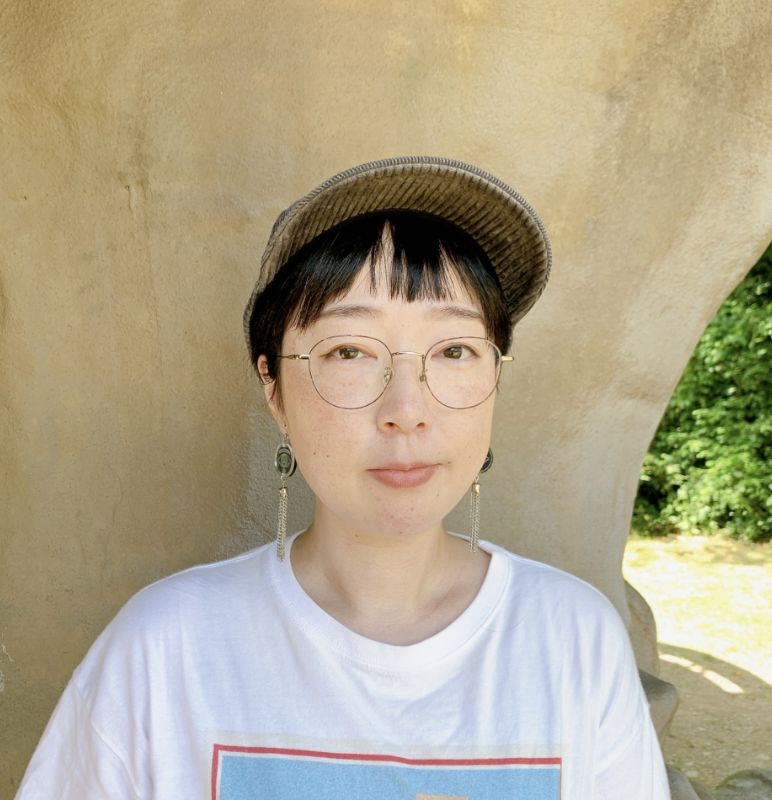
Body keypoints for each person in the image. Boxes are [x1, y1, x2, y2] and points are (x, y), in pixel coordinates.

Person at [16, 156, 670, 799]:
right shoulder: (165, 648)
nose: (407, 410)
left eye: (454, 350)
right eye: (349, 351)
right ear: (274, 389)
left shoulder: (574, 639)